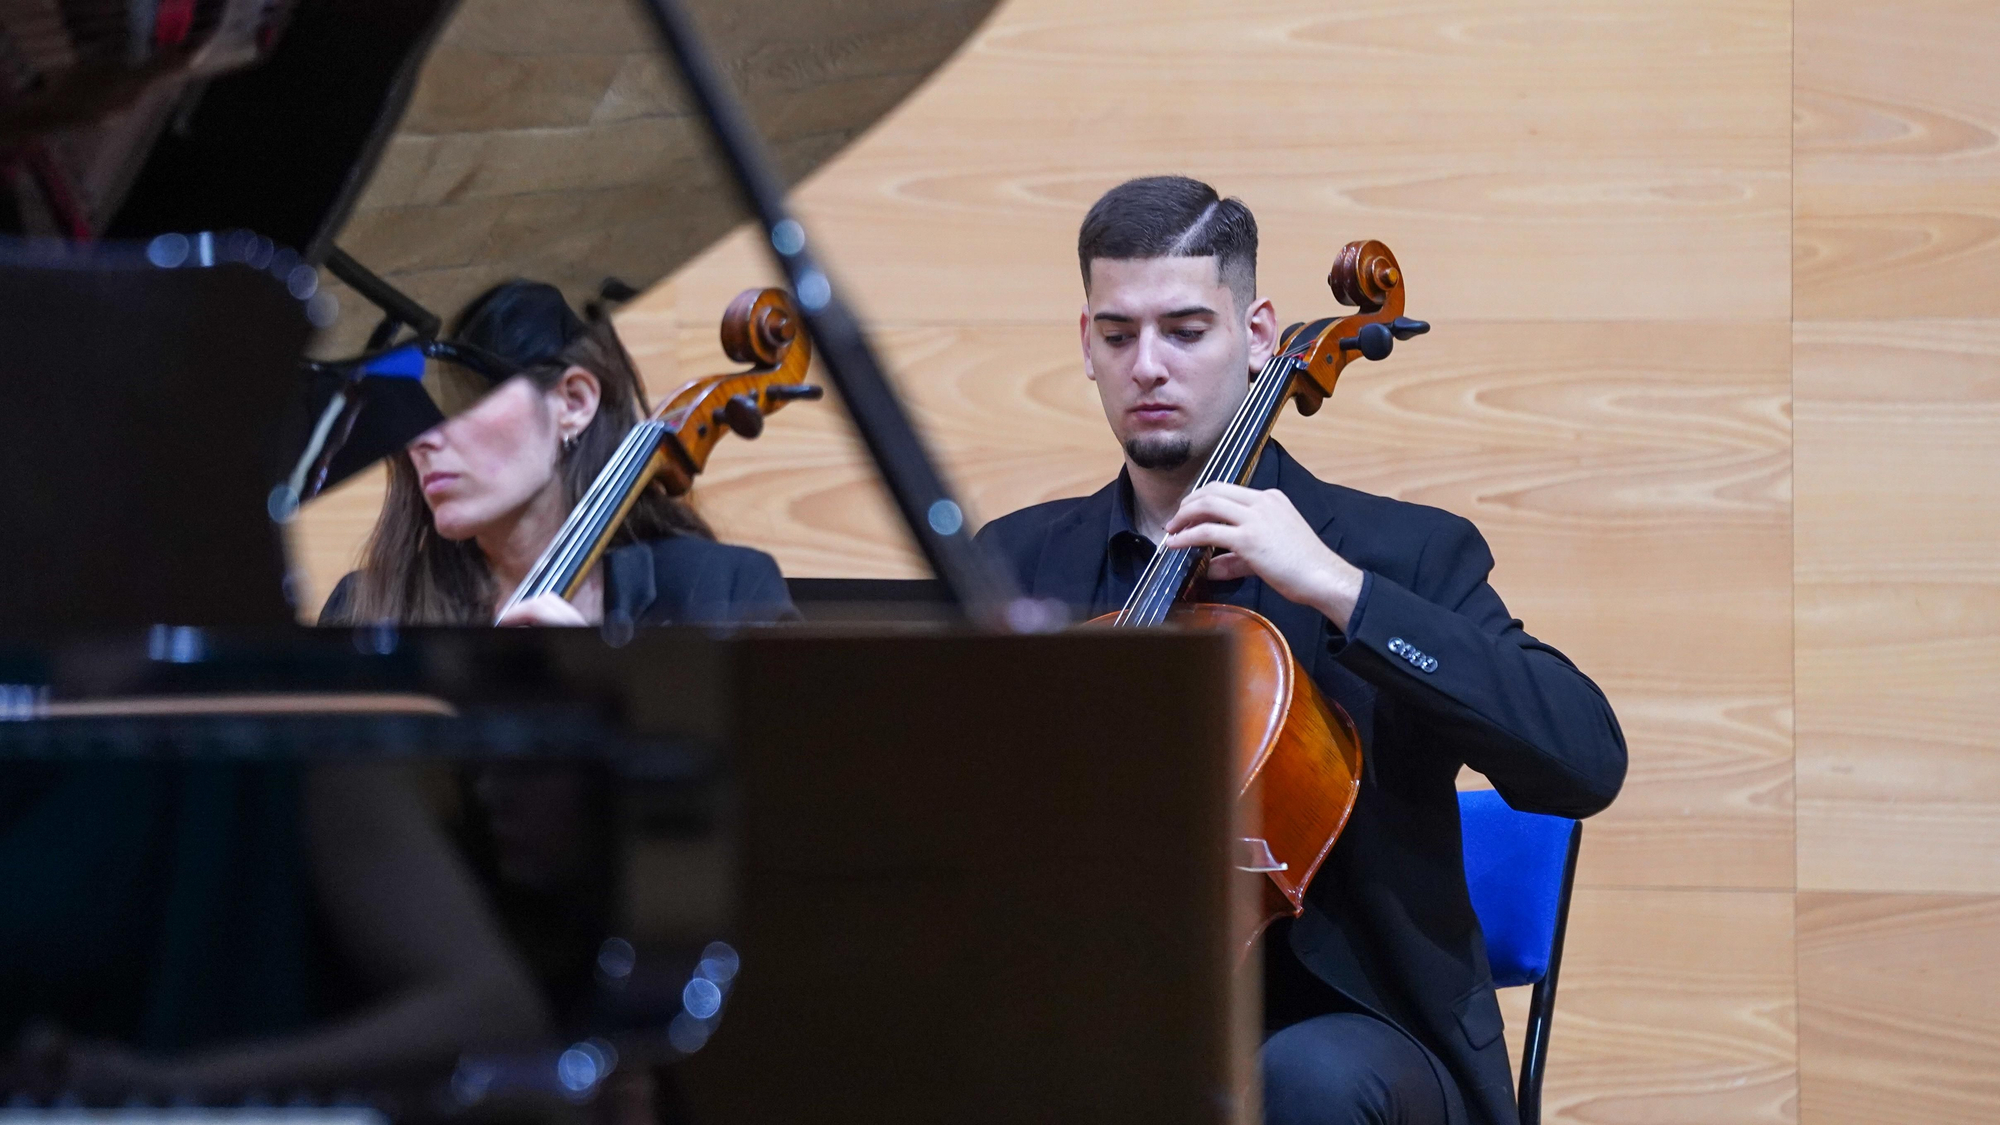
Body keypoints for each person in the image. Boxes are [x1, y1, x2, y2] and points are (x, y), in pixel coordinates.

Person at [974, 176, 1627, 1125]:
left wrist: (1340, 590)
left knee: (1304, 1080)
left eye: (1187, 330)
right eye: (1119, 335)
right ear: (1086, 345)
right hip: (1099, 1025)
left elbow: (1585, 758)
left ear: (1259, 334)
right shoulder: (1017, 562)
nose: (1148, 365)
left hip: (1367, 1042)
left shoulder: (1399, 552)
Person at [320, 279, 797, 629]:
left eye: (456, 405)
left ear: (573, 403)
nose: (420, 439)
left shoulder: (723, 597)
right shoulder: (363, 611)